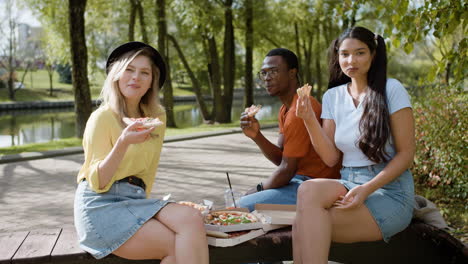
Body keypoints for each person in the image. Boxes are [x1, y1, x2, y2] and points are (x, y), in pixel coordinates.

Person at [74, 41, 209, 264]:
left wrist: (152, 212)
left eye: (144, 72)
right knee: (178, 245)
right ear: (117, 74)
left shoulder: (157, 118)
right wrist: (123, 143)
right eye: (129, 69)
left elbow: (149, 171)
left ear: (151, 83)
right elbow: (97, 182)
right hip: (99, 205)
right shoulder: (102, 117)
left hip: (134, 200)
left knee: (191, 217)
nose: (136, 77)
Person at [293, 26, 415, 263]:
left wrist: (367, 189)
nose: (351, 60)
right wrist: (308, 119)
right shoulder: (333, 96)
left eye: (360, 53)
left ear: (373, 55)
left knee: (304, 224)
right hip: (348, 181)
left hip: (389, 190)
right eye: (344, 54)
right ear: (337, 58)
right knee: (306, 190)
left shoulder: (392, 89)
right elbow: (330, 158)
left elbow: (406, 154)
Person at [239, 48, 341, 212]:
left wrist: (258, 188)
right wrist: (256, 136)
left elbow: (287, 169)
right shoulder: (285, 110)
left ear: (292, 73)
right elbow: (283, 159)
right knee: (242, 204)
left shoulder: (300, 110)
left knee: (240, 207)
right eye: (263, 73)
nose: (267, 78)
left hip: (315, 185)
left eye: (274, 71)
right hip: (297, 180)